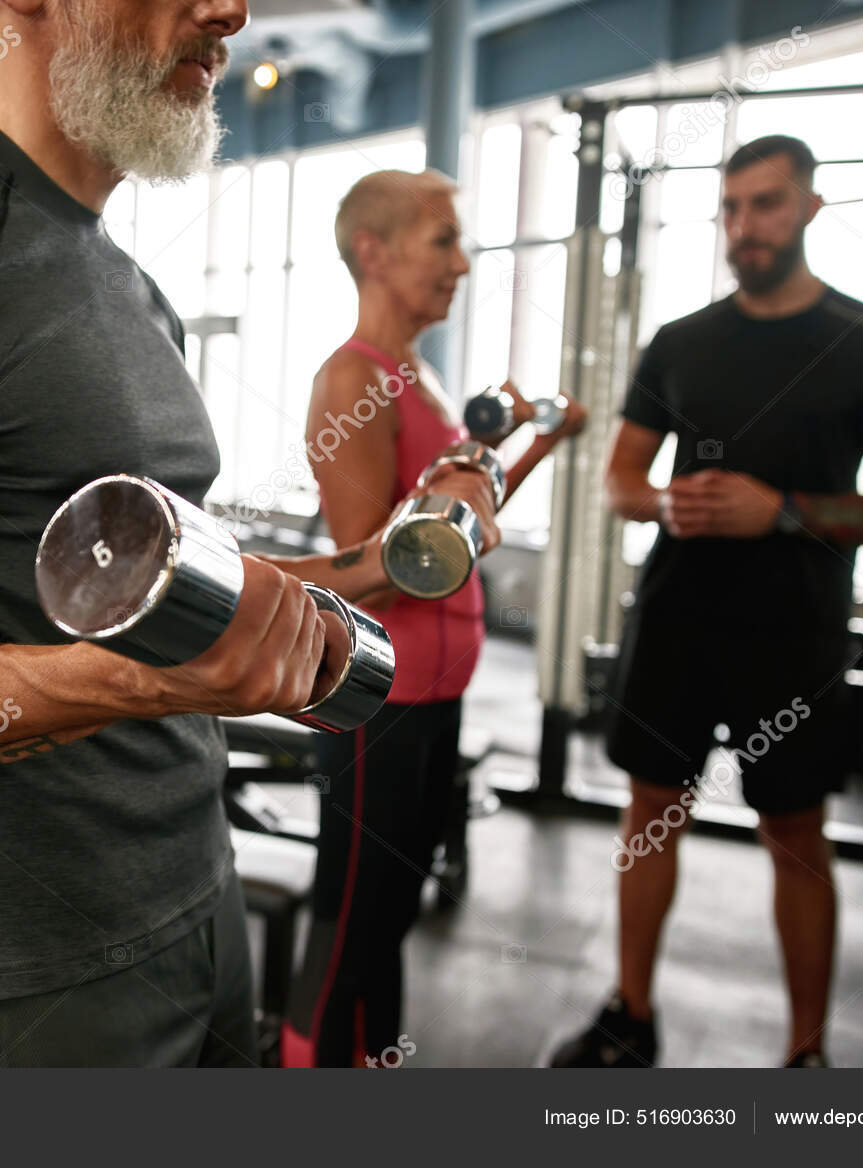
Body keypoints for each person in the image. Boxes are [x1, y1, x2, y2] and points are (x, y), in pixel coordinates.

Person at [0, 0, 498, 1068]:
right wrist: (148, 683)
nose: (232, 10)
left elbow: (170, 578)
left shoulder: (132, 289)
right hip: (34, 971)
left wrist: (387, 555)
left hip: (195, 886)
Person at [547, 135, 863, 1069]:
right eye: (730, 208)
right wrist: (669, 501)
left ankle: (807, 1053)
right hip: (679, 620)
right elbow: (619, 482)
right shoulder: (681, 343)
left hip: (793, 634)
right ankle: (629, 1016)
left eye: (765, 205)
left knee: (796, 834)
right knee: (650, 811)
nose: (744, 226)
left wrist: (784, 511)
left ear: (808, 206)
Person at [282, 169, 585, 1068]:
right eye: (443, 240)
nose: (463, 262)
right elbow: (369, 574)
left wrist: (530, 447)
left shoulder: (422, 375)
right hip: (382, 694)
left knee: (396, 906)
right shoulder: (352, 379)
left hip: (439, 692)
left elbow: (463, 528)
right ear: (373, 252)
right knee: (350, 916)